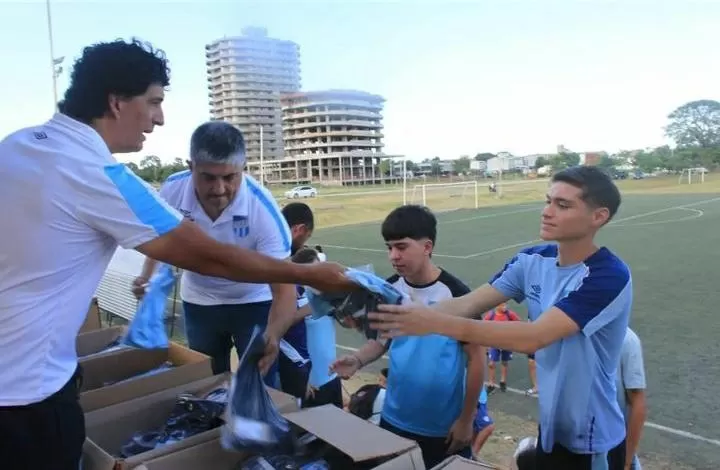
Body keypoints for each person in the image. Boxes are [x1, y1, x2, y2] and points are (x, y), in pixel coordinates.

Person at [0, 38, 349, 470]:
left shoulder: (17, 145)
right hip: (26, 395)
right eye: (153, 102)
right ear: (116, 102)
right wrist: (315, 276)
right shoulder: (99, 174)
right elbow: (207, 257)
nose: (159, 118)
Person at [370, 166, 631, 470]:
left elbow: (535, 336)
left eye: (562, 205)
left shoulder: (607, 275)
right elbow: (466, 304)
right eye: (548, 201)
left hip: (593, 439)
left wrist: (431, 322)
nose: (547, 212)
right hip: (550, 429)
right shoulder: (531, 260)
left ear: (598, 216)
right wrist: (389, 314)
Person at [133, 121, 296, 383]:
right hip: (199, 303)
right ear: (190, 167)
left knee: (258, 383)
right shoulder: (172, 190)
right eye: (208, 177)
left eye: (230, 177)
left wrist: (274, 334)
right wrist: (147, 276)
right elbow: (159, 237)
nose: (219, 190)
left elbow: (285, 288)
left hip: (253, 303)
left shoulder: (262, 210)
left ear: (243, 169)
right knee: (205, 382)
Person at [331, 205, 485, 468]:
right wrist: (357, 360)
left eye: (401, 247)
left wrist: (466, 419)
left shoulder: (457, 295)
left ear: (427, 246)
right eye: (389, 247)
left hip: (442, 426)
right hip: (394, 416)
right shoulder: (388, 290)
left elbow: (477, 360)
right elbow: (382, 341)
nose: (393, 256)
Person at [610, 328, 647, 470]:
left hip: (613, 449)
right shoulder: (574, 332)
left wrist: (626, 461)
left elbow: (638, 402)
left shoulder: (627, 340)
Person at [483, 302, 520, 393]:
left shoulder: (509, 314)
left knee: (504, 362)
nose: (505, 307)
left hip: (506, 343)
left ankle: (503, 381)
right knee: (491, 364)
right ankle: (491, 383)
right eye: (503, 305)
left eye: (506, 305)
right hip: (494, 343)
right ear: (497, 306)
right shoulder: (491, 315)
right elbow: (483, 326)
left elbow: (518, 323)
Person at [471, 385, 495, 459]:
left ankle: (469, 454)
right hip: (476, 398)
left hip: (479, 397)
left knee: (475, 429)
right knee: (487, 427)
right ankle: (472, 456)